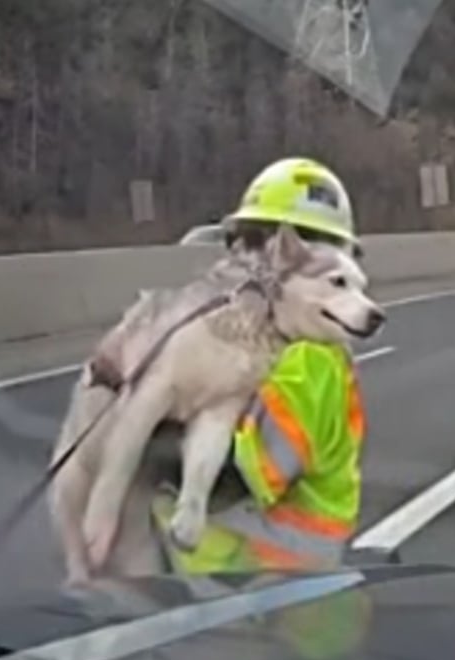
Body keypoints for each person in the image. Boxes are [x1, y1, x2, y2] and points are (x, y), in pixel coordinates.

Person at [152, 157, 368, 576]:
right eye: (244, 239)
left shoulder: (310, 356)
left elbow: (245, 476)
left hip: (274, 600)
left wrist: (146, 446)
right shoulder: (256, 332)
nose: (244, 256)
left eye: (265, 242)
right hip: (205, 589)